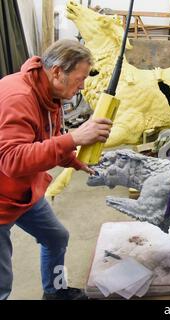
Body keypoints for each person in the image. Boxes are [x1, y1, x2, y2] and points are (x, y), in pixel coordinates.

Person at [0, 40, 113, 300]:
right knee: (2, 284)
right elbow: (12, 160)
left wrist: (73, 160)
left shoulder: (50, 94)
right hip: (2, 195)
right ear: (57, 71)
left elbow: (44, 140)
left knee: (56, 237)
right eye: (80, 78)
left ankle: (55, 292)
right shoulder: (18, 98)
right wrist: (73, 138)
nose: (83, 86)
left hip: (24, 191)